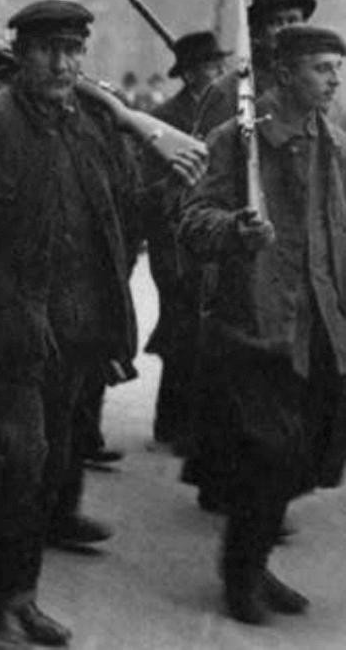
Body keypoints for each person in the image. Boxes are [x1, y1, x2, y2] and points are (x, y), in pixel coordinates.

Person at [0, 0, 191, 650]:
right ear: (20, 58)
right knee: (18, 467)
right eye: (48, 51)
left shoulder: (94, 126)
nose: (63, 63)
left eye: (73, 51)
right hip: (5, 328)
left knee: (52, 469)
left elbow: (128, 209)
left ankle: (21, 593)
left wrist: (180, 191)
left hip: (76, 328)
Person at [178, 24, 346, 625]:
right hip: (255, 325)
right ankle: (240, 573)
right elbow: (192, 221)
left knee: (311, 456)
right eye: (321, 68)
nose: (333, 80)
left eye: (336, 69)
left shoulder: (335, 144)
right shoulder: (238, 140)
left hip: (320, 327)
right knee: (272, 454)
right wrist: (233, 232)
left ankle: (257, 560)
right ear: (283, 74)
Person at [144, 31, 228, 450]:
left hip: (211, 233)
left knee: (206, 329)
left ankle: (192, 422)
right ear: (190, 74)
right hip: (172, 239)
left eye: (218, 65)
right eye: (208, 67)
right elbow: (148, 182)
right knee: (181, 325)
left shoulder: (226, 113)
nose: (216, 73)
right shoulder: (163, 116)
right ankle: (171, 423)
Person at [195, 0, 315, 136]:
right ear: (256, 33)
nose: (286, 30)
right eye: (275, 22)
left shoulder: (317, 86)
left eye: (293, 20)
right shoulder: (227, 92)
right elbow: (207, 153)